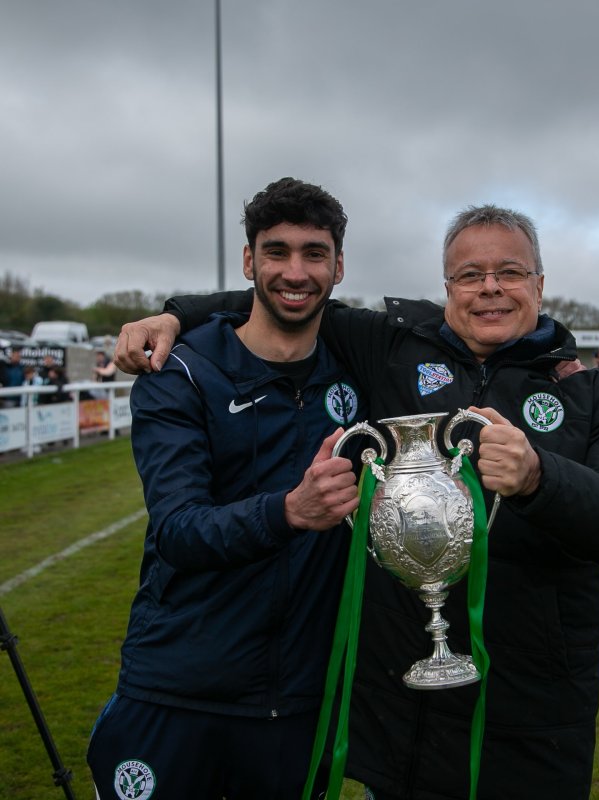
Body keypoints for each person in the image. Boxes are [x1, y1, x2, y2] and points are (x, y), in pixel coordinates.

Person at [115, 204, 599, 799]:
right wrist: (173, 316)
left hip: (532, 720)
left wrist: (540, 476)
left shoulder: (593, 393)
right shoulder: (390, 348)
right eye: (469, 275)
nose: (490, 289)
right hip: (402, 720)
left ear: (540, 284)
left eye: (509, 272)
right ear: (446, 287)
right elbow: (292, 291)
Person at [88, 178, 366, 800]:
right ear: (249, 261)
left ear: (339, 266)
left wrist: (558, 353)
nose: (295, 271)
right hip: (179, 689)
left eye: (314, 254)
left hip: (298, 702)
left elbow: (458, 326)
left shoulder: (358, 366)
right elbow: (179, 529)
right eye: (276, 252)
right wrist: (291, 511)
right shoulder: (181, 371)